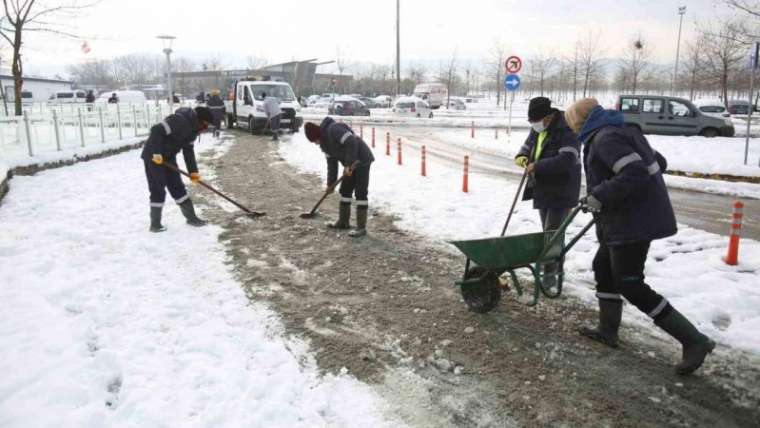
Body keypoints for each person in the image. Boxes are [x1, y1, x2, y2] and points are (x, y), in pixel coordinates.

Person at [565, 98, 715, 375]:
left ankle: (694, 340)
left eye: (572, 123)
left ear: (580, 120)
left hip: (632, 223)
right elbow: (658, 162)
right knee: (603, 268)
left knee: (631, 284)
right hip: (623, 220)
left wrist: (600, 194)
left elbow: (635, 172)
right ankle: (607, 330)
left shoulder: (605, 138)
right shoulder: (621, 130)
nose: (572, 129)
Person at [514, 97, 581, 289]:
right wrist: (522, 157)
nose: (533, 125)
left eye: (536, 121)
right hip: (543, 188)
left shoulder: (567, 130)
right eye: (531, 122)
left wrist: (537, 165)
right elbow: (528, 145)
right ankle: (550, 270)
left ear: (549, 116)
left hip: (562, 190)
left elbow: (567, 160)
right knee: (548, 233)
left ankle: (551, 275)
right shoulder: (538, 128)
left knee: (553, 234)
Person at [140, 106, 214, 232]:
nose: (205, 128)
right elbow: (156, 130)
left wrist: (193, 172)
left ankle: (191, 218)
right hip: (153, 157)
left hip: (168, 158)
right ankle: (155, 224)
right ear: (200, 120)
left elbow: (188, 152)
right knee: (158, 189)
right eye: (206, 124)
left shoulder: (193, 131)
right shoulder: (179, 121)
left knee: (177, 187)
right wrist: (156, 153)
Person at [304, 117, 375, 237]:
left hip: (362, 159)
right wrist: (330, 184)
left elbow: (352, 142)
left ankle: (361, 228)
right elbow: (332, 165)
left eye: (315, 140)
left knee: (360, 192)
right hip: (350, 163)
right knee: (345, 191)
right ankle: (343, 222)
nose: (316, 143)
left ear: (318, 135)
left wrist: (348, 164)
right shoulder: (325, 145)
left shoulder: (334, 129)